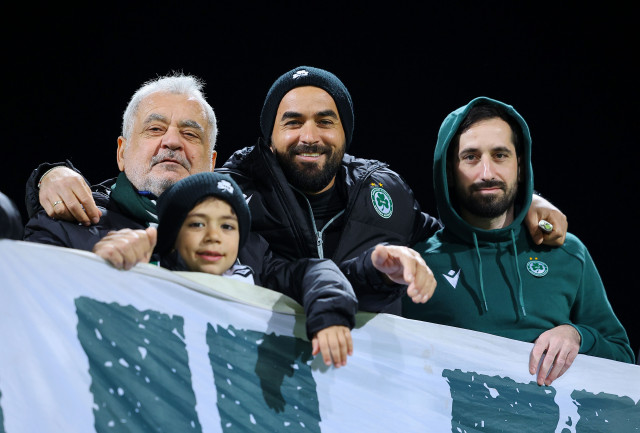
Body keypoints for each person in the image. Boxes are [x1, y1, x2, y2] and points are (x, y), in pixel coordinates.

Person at [27, 66, 567, 314]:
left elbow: (452, 230)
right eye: (292, 122)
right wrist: (47, 177)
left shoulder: (384, 190)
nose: (309, 135)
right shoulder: (236, 192)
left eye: (325, 120)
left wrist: (524, 206)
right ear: (268, 137)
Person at [401, 97, 635, 385]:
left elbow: (623, 361)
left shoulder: (566, 253)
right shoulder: (418, 265)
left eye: (500, 155)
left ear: (520, 167)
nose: (487, 173)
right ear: (449, 171)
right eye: (471, 157)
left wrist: (577, 335)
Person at [94, 171, 358, 368]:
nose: (214, 237)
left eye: (227, 226)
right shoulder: (148, 268)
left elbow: (317, 272)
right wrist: (107, 264)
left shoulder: (259, 273)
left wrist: (330, 314)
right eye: (197, 224)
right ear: (173, 235)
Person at [23, 73, 218, 251]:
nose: (172, 141)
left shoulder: (232, 243)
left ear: (212, 164)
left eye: (190, 134)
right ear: (122, 153)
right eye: (155, 129)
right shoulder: (64, 226)